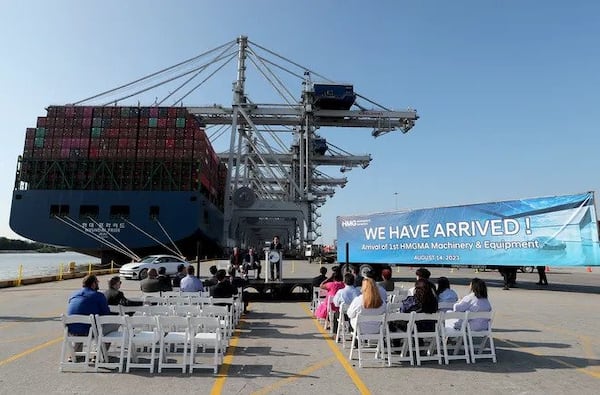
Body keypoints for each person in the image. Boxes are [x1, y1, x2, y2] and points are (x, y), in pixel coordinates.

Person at [66, 275, 111, 357]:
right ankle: (99, 354)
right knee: (111, 326)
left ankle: (75, 354)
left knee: (80, 323)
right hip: (89, 330)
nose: (98, 284)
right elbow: (106, 314)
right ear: (93, 284)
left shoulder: (73, 294)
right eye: (97, 282)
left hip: (71, 330)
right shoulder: (98, 295)